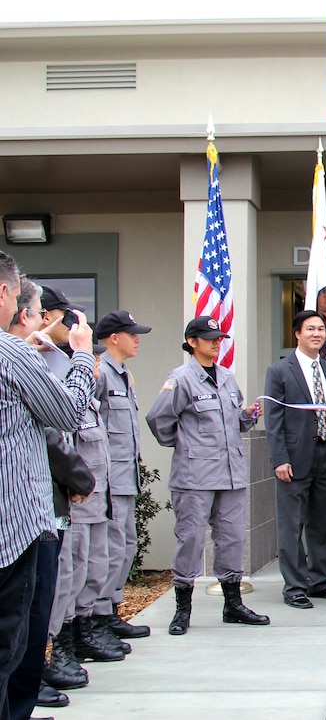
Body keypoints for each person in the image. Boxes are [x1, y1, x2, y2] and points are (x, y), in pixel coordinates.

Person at [0, 251, 96, 720]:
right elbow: (68, 414)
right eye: (26, 304)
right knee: (14, 636)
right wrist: (79, 356)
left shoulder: (22, 355)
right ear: (5, 294)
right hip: (16, 529)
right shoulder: (12, 354)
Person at [146, 316, 270, 634]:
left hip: (230, 474)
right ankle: (182, 610)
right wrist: (186, 445)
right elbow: (158, 419)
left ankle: (233, 604)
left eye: (219, 338)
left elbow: (234, 421)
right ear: (192, 342)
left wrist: (247, 416)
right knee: (190, 540)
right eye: (209, 338)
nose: (216, 342)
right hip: (195, 476)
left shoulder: (227, 377)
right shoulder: (182, 379)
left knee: (232, 539)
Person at [263, 310, 326, 609]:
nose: (317, 333)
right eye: (311, 329)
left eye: (322, 329)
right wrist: (279, 459)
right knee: (292, 524)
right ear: (297, 334)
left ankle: (320, 581)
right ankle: (295, 587)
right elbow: (273, 421)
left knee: (323, 523)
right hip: (295, 458)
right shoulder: (279, 371)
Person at [44, 344, 113, 692]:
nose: (97, 363)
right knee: (66, 577)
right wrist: (77, 482)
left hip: (92, 499)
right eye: (92, 357)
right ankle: (56, 651)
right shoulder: (63, 396)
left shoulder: (91, 401)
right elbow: (60, 446)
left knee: (87, 568)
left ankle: (76, 638)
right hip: (72, 501)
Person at [94, 309, 154, 641]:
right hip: (107, 481)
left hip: (124, 477)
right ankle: (98, 617)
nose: (137, 339)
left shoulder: (123, 374)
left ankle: (110, 609)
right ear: (113, 338)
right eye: (132, 334)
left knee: (125, 546)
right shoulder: (99, 373)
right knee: (111, 549)